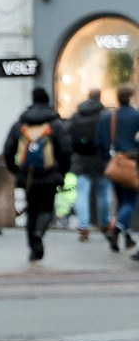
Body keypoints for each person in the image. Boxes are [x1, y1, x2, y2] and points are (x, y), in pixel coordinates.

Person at [0, 87, 71, 261]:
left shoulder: (21, 123)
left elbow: (8, 150)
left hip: (28, 175)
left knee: (31, 210)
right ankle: (39, 232)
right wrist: (62, 172)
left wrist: (16, 170)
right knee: (46, 208)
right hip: (50, 174)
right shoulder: (55, 124)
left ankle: (33, 247)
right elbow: (66, 149)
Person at [98, 83, 139, 254]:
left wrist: (107, 159)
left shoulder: (109, 116)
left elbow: (99, 141)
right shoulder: (136, 115)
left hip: (114, 163)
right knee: (130, 201)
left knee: (120, 201)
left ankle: (126, 235)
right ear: (130, 97)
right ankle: (117, 229)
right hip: (132, 162)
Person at [70, 86, 109, 243]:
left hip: (81, 159)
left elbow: (69, 136)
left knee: (81, 193)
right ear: (100, 97)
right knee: (103, 192)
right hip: (101, 159)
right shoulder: (105, 115)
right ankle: (104, 223)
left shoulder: (76, 115)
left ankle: (83, 225)